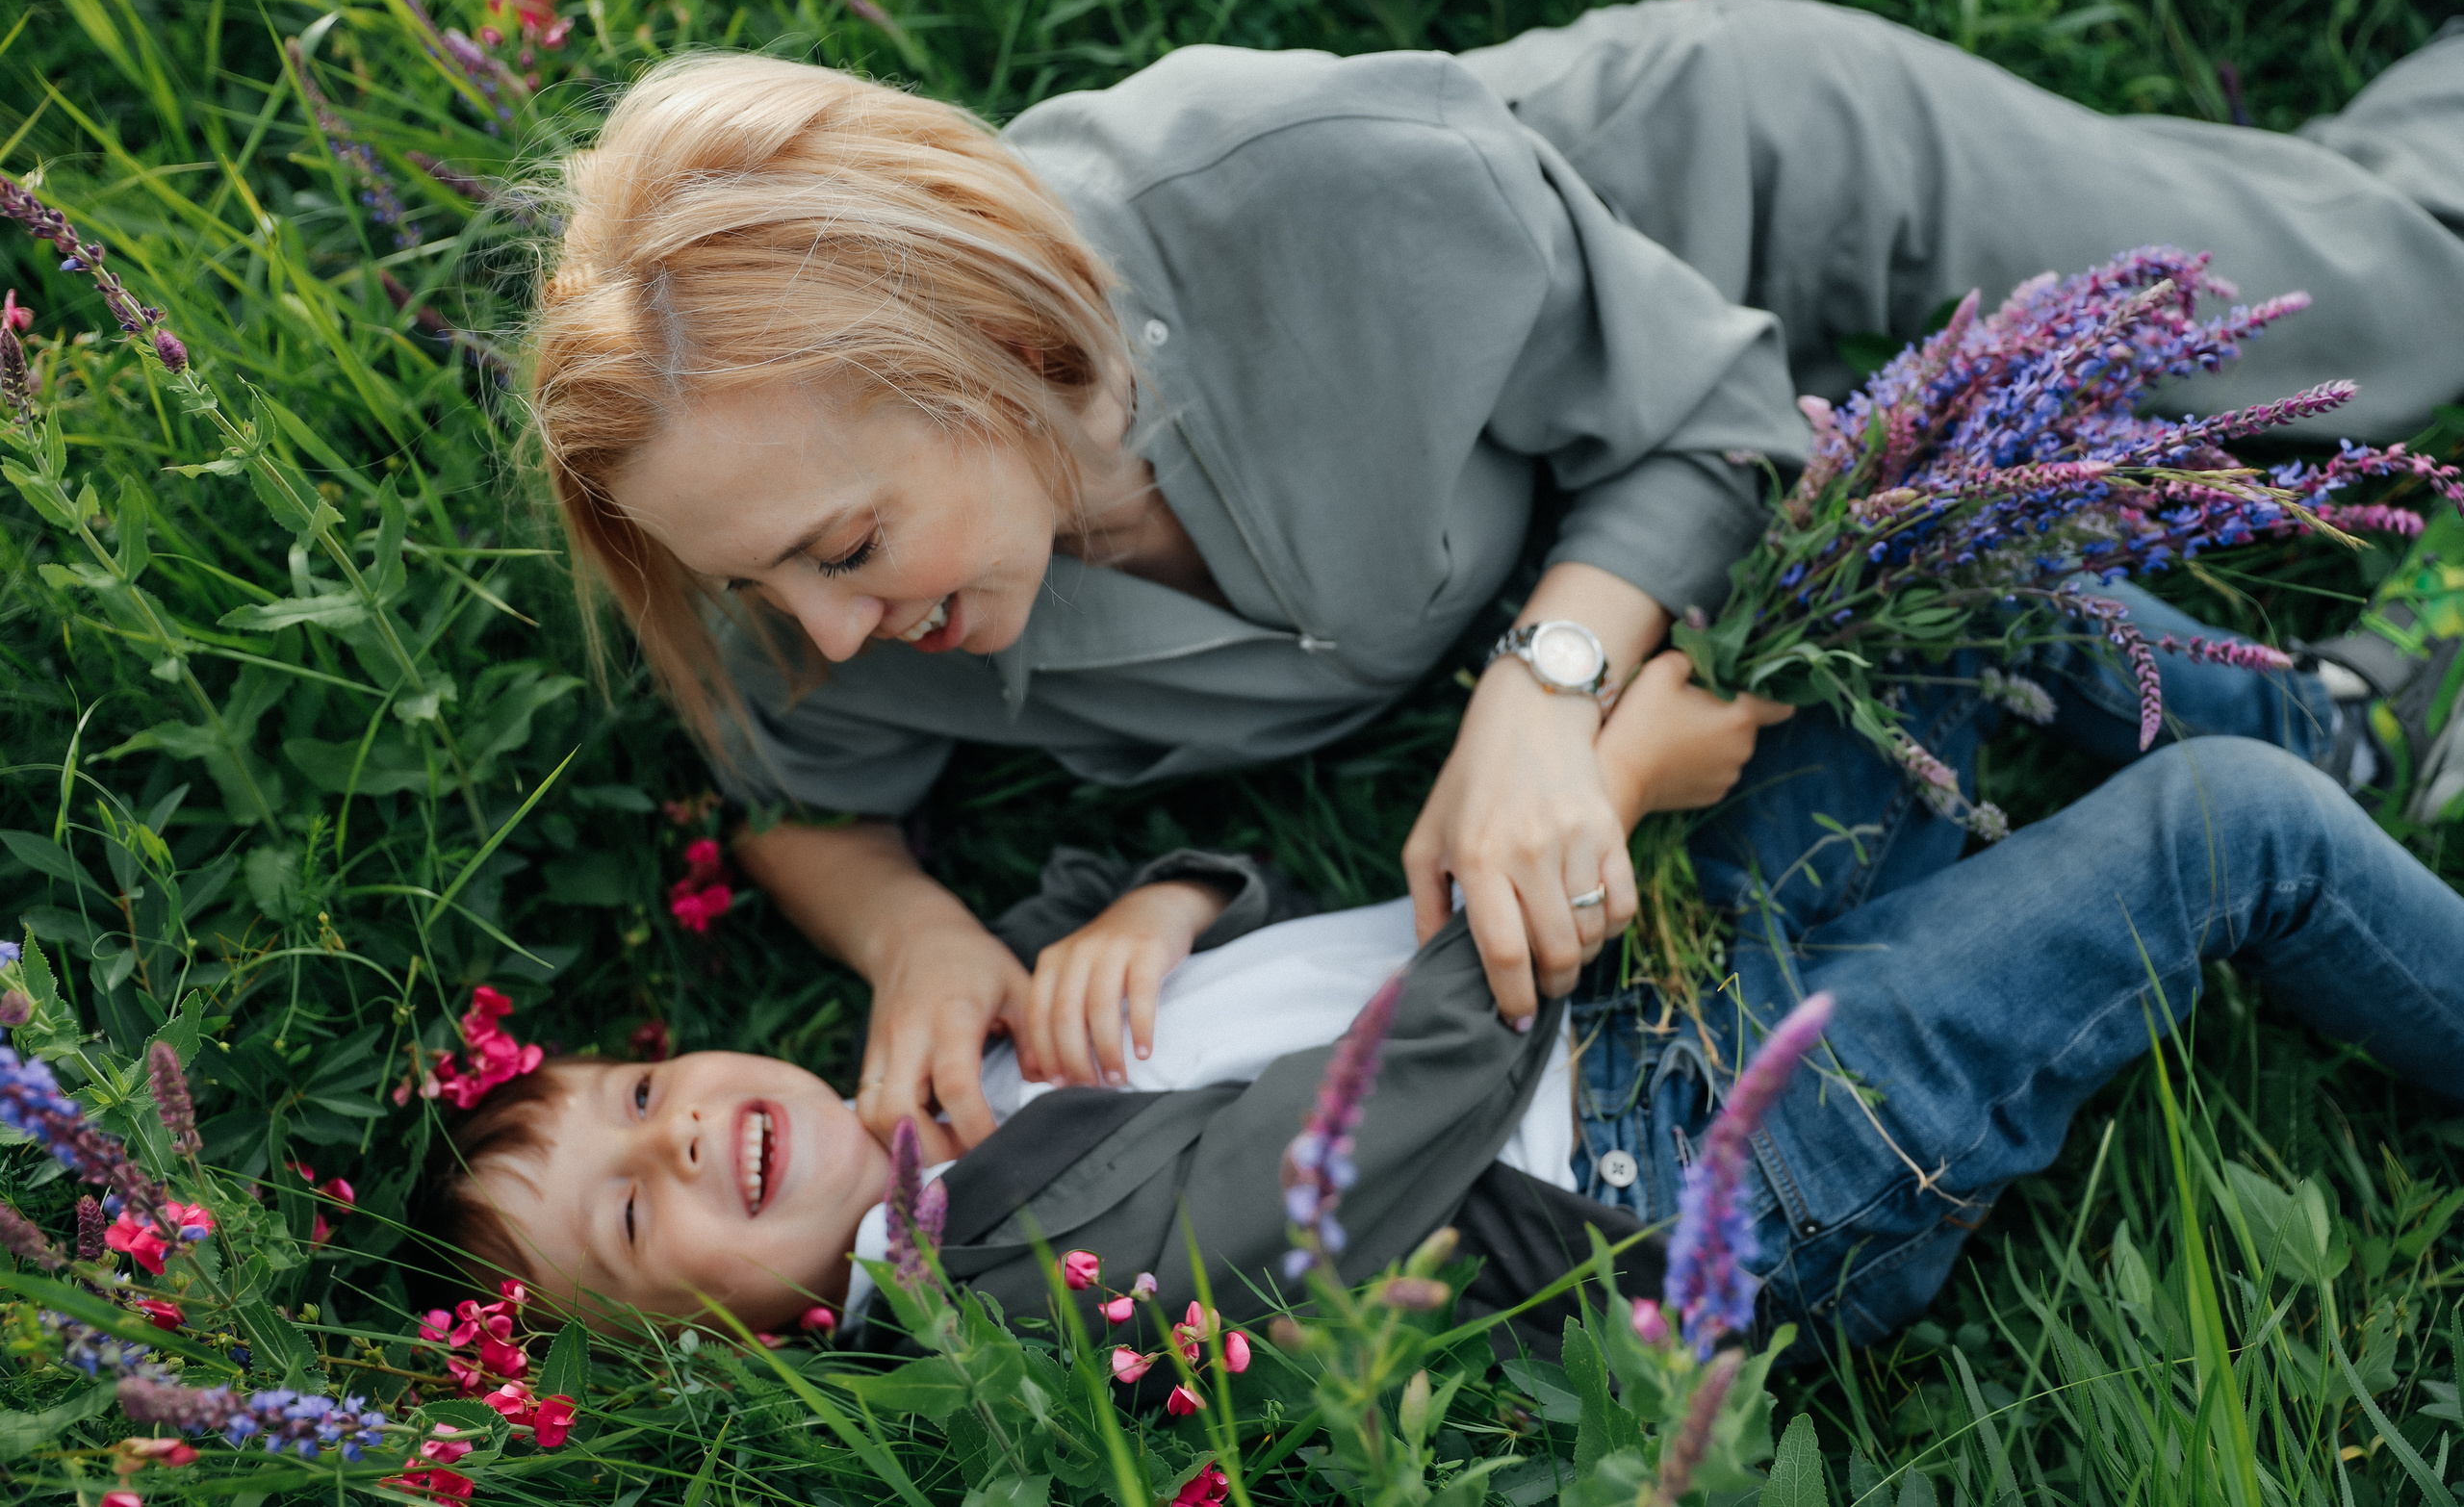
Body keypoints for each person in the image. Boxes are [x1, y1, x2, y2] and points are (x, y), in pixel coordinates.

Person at [524, 0, 2464, 1162]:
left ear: (997, 346)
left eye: (846, 550)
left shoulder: (1301, 172)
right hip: (1660, 463)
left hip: (1746, 202)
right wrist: (917, 938)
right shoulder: (810, 566)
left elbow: (1710, 417)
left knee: (2373, 321)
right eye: (775, 586)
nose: (832, 634)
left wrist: (1539, 690)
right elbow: (797, 791)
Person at [421, 596, 2464, 1354]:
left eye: (632, 1089)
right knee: (2212, 841)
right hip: (1717, 1164)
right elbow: (1335, 1156)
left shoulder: (964, 1100)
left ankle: (2344, 731)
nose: (682, 1126)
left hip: (1649, 977)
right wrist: (1608, 774)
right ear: (720, 1341)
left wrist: (1157, 903)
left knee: (1902, 610)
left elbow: (1197, 965)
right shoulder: (994, 1281)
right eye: (636, 1205)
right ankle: (2310, 800)